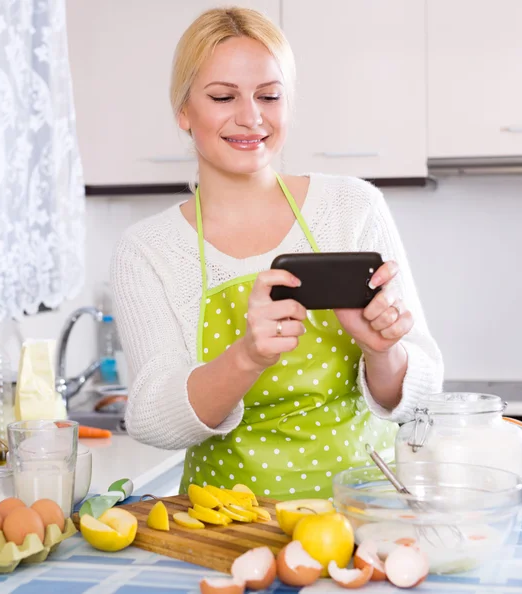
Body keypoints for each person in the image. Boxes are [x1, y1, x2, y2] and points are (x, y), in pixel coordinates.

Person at [111, 7, 443, 500]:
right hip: (225, 524)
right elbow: (152, 419)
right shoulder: (148, 250)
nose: (251, 117)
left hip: (364, 511)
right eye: (223, 96)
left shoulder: (353, 207)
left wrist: (382, 350)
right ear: (184, 111)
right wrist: (247, 356)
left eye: (269, 96)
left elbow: (423, 391)